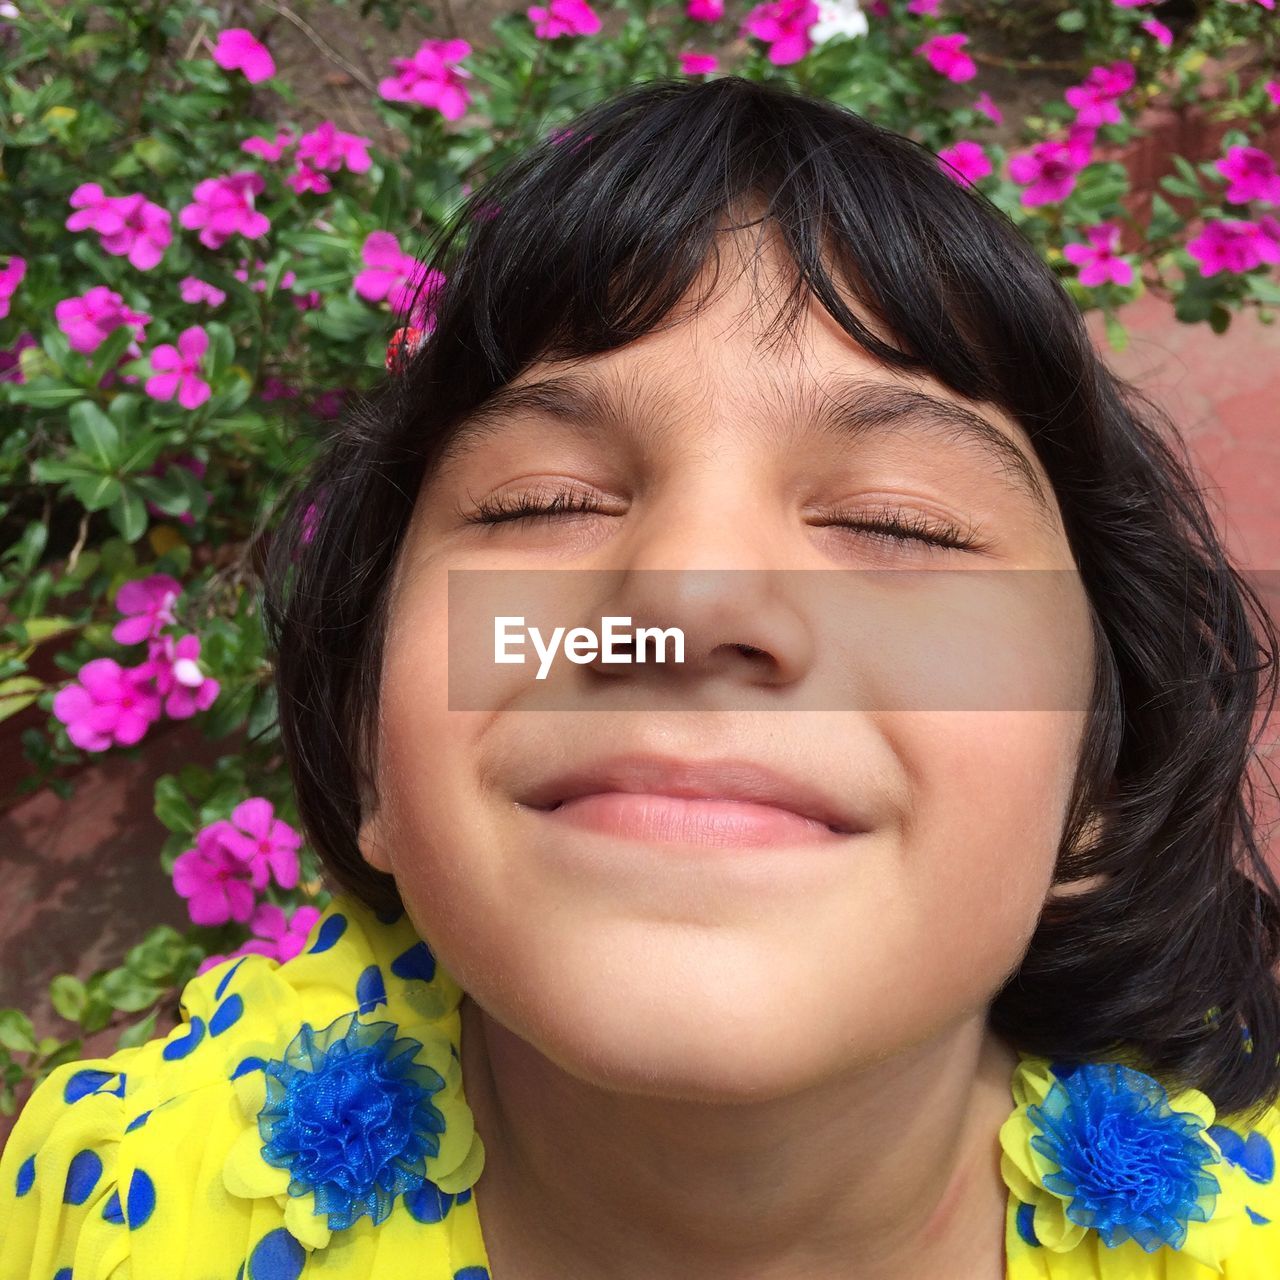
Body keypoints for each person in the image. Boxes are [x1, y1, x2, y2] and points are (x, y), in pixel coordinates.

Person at [3, 75, 1279, 1280]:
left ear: (1091, 783)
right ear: (365, 739)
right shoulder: (109, 1201)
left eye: (902, 525)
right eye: (538, 503)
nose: (683, 600)